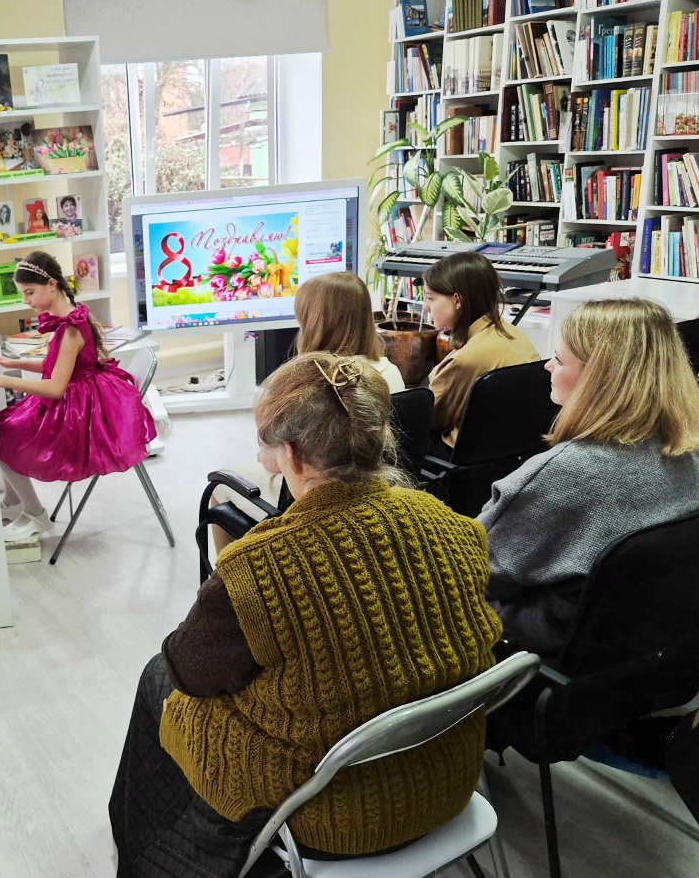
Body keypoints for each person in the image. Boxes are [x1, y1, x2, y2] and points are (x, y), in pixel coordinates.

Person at [109, 353, 501, 878]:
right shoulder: (452, 525)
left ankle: (160, 858)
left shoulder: (258, 569)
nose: (260, 456)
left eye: (264, 443)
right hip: (449, 782)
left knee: (159, 680)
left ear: (290, 455)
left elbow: (187, 671)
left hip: (337, 821)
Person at [480, 297, 699, 662]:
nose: (548, 365)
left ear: (600, 378)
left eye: (559, 359)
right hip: (644, 659)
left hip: (530, 656)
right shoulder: (690, 455)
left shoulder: (563, 475)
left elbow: (471, 575)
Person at [208, 270, 406, 556]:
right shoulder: (391, 373)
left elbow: (280, 461)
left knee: (219, 487)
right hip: (377, 485)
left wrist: (269, 456)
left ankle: (229, 574)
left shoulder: (299, 386)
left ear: (313, 321)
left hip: (312, 494)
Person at [0, 251, 156, 541]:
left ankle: (35, 513)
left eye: (29, 292)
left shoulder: (71, 329)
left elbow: (56, 387)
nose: (26, 300)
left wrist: (4, 380)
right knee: (3, 429)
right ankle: (13, 502)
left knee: (0, 437)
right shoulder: (69, 317)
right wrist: (13, 363)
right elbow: (57, 365)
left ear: (51, 284)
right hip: (79, 396)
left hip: (80, 412)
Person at [423, 251, 540, 453]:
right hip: (512, 453)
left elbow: (431, 417)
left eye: (430, 298)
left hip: (459, 456)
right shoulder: (515, 335)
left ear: (457, 300)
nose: (426, 307)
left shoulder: (466, 360)